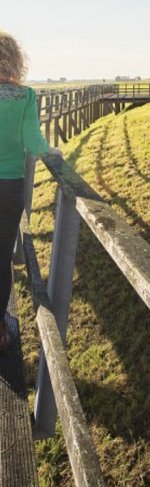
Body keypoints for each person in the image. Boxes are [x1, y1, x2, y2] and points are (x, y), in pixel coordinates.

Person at [0, 31, 50, 350]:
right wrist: (52, 153)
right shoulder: (26, 97)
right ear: (16, 60)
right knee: (2, 259)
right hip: (10, 189)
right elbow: (35, 143)